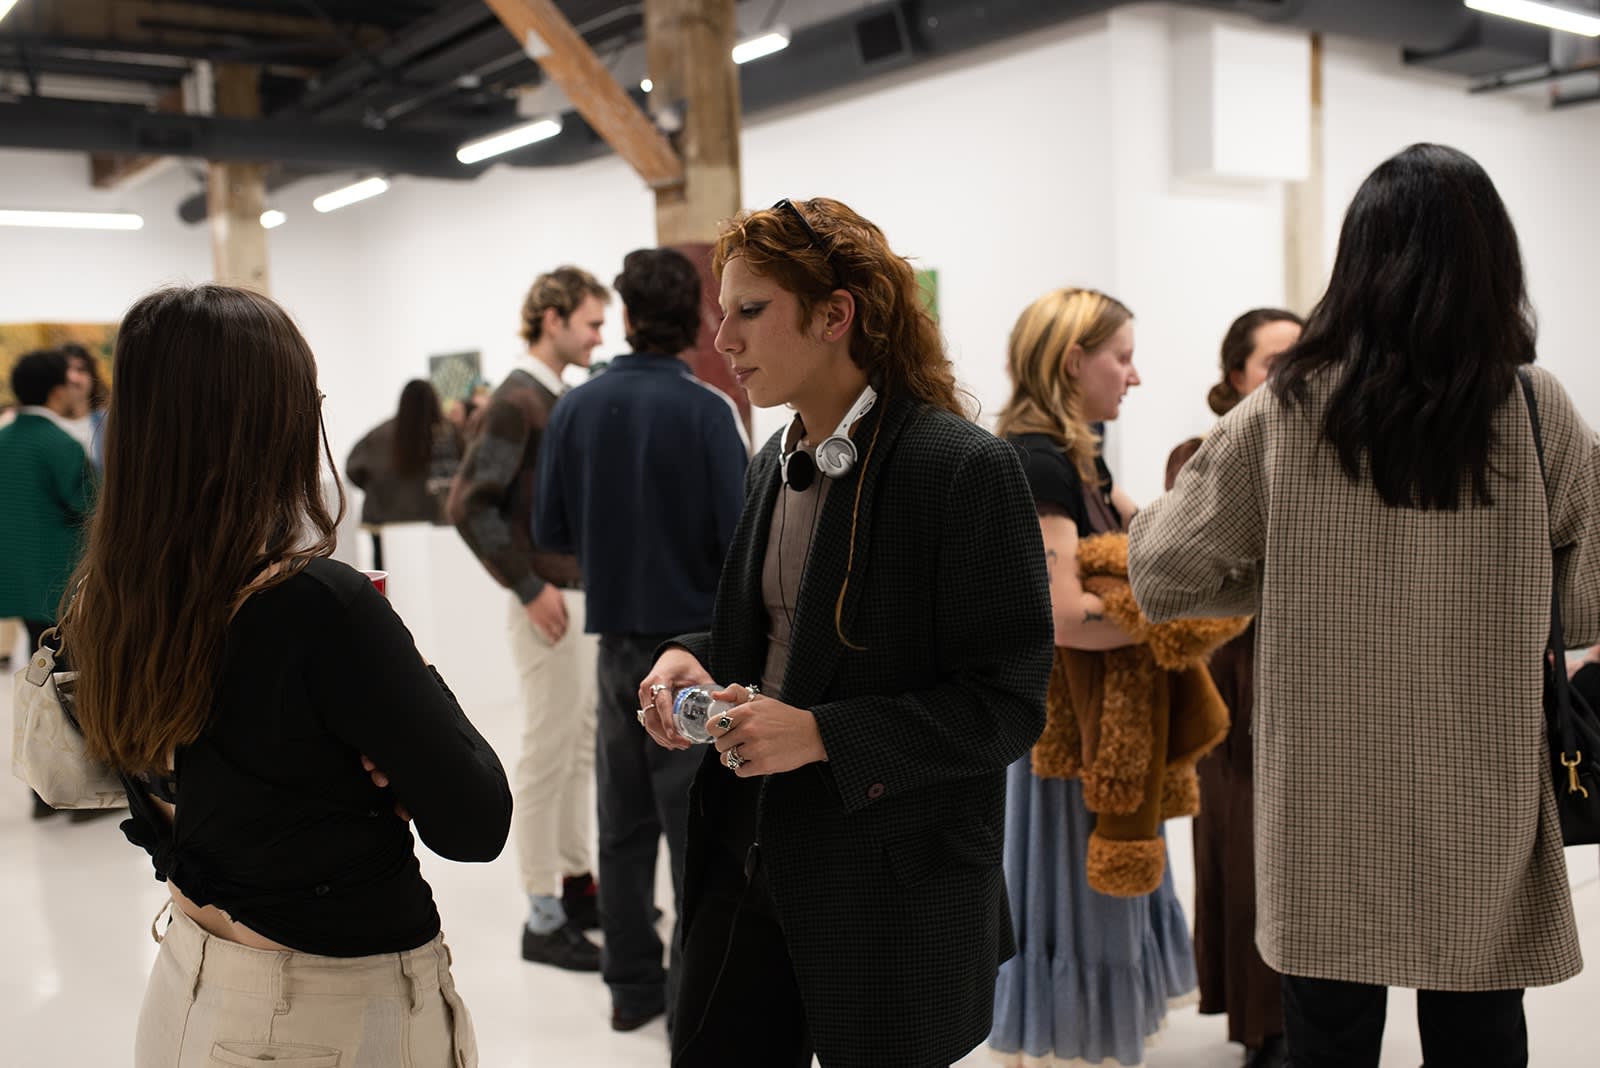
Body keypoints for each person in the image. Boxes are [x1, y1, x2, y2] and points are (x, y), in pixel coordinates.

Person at [1129, 143, 1600, 1068]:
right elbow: (1585, 610)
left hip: (1323, 807)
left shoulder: (1283, 413)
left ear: (1356, 266)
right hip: (1484, 796)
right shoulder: (1538, 409)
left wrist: (1281, 572)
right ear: (1494, 264)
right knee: (1480, 1043)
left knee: (1329, 1045)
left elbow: (1164, 574)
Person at [635, 199, 1053, 1067]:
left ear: (835, 315)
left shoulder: (962, 468)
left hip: (890, 877)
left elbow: (1006, 706)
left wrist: (824, 735)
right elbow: (776, 642)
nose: (725, 340)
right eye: (723, 313)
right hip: (747, 849)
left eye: (750, 311)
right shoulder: (770, 464)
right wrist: (694, 659)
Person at [59, 284, 510, 1066]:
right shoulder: (317, 606)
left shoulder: (107, 600)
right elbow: (476, 823)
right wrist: (421, 682)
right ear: (266, 420)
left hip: (186, 988)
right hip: (324, 1018)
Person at [535, 247, 749, 1034]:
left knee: (621, 828)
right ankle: (695, 994)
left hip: (618, 644)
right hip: (694, 649)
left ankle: (630, 990)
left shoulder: (576, 408)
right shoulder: (709, 411)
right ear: (699, 319)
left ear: (625, 316)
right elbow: (743, 542)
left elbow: (550, 530)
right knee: (695, 830)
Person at [986, 288, 1199, 1068]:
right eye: (1122, 356)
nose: (1134, 376)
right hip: (1066, 732)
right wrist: (1182, 619)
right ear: (1075, 361)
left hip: (1091, 720)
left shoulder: (1077, 451)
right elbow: (1065, 617)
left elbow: (1153, 536)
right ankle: (1067, 1045)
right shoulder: (1038, 457)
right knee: (1074, 905)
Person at [448, 266, 610, 971]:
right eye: (591, 323)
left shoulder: (552, 396)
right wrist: (525, 585)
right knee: (549, 753)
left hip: (573, 597)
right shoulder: (517, 400)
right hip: (547, 602)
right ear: (553, 320)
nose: (600, 337)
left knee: (577, 747)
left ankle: (576, 887)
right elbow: (468, 502)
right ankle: (541, 913)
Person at [1164, 308, 1302, 1068]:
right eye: (1276, 364)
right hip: (1231, 686)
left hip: (1308, 686)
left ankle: (1288, 1023)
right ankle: (1264, 1030)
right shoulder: (1200, 457)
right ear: (1235, 378)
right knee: (1244, 854)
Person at [0, 349, 97, 819]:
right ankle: (78, 788)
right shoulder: (57, 443)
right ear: (58, 390)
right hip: (62, 579)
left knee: (39, 680)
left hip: (17, 578)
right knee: (78, 682)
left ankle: (41, 793)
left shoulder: (6, 439)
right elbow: (92, 506)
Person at [347, 379, 463, 568]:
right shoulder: (450, 434)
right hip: (435, 523)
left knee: (388, 579)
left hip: (385, 520)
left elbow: (352, 468)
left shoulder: (379, 434)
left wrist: (376, 489)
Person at [60, 341, 109, 469]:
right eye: (65, 370)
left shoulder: (108, 422)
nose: (72, 377)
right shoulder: (44, 425)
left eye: (80, 369)